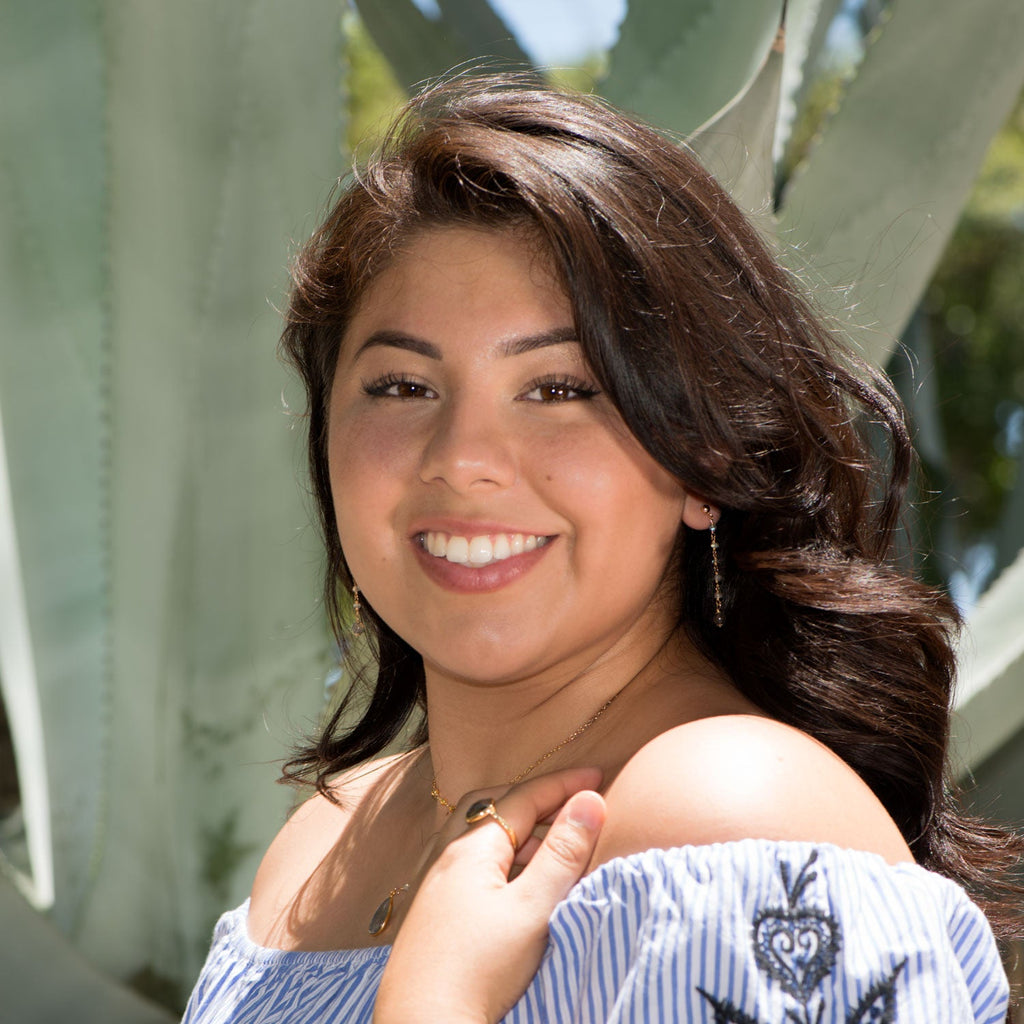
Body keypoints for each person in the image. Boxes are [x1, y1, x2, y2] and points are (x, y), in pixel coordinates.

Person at [182, 76, 1022, 1023]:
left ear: (703, 464)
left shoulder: (731, 822)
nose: (462, 461)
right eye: (403, 387)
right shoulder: (317, 850)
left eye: (559, 389)